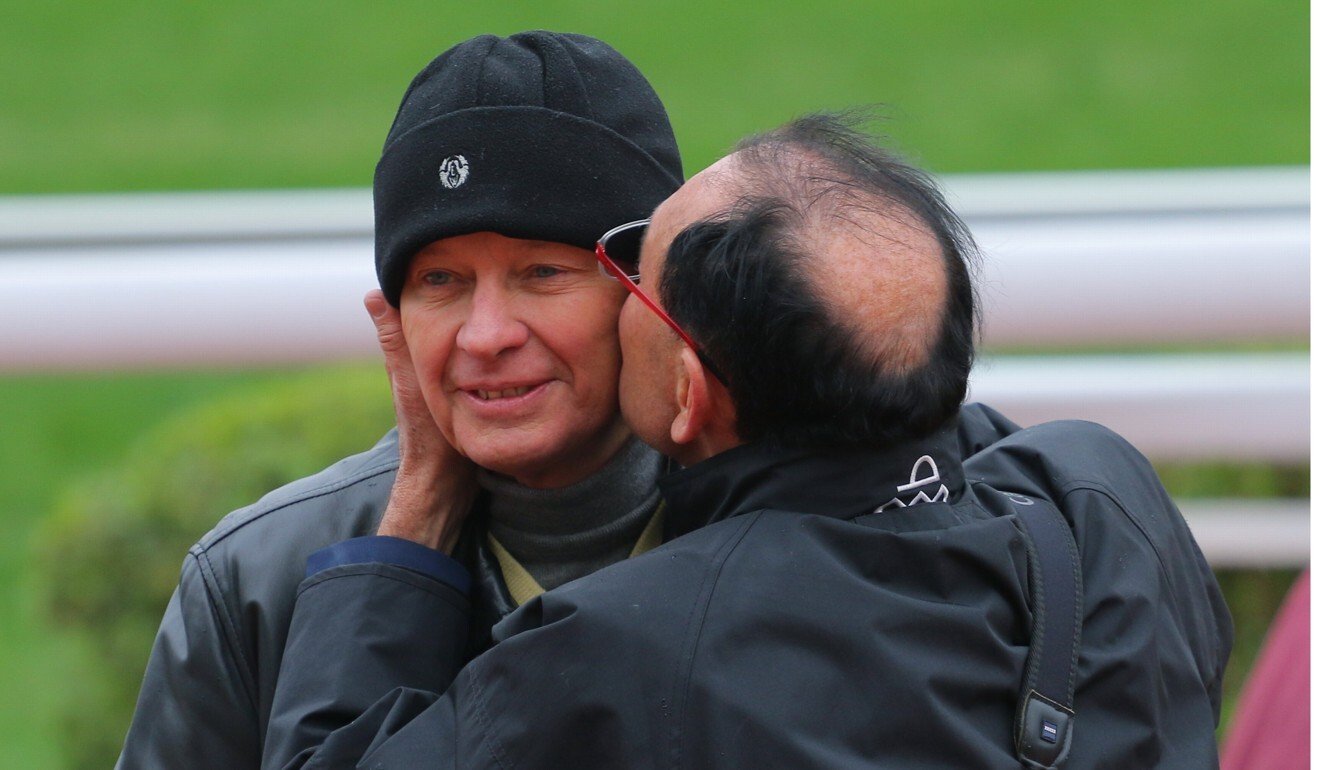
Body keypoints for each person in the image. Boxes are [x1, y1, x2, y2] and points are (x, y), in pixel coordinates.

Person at [264, 114, 1233, 768]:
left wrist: (418, 506)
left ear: (687, 390)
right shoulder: (1097, 491)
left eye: (631, 271)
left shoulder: (622, 648)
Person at [117, 31, 684, 769]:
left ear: (650, 289)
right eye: (439, 281)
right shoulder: (256, 582)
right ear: (393, 318)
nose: (484, 336)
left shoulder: (803, 525)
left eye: (542, 272)